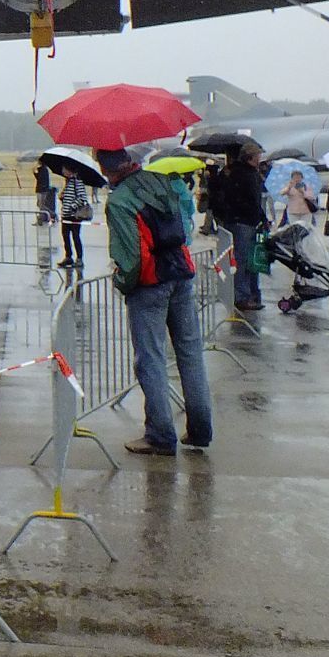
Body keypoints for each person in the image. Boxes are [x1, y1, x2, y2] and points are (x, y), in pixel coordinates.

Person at [97, 147, 212, 456]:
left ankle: (160, 435)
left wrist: (122, 281)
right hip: (181, 273)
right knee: (190, 353)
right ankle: (201, 429)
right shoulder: (161, 182)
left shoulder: (120, 200)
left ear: (106, 169)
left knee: (151, 359)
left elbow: (131, 255)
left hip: (150, 284)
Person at [215, 143, 269, 311]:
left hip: (249, 220)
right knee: (243, 259)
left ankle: (250, 293)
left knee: (251, 259)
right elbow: (247, 199)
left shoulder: (245, 173)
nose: (260, 159)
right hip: (243, 221)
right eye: (257, 156)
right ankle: (242, 296)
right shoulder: (241, 174)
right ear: (250, 157)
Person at [57, 170, 92, 269]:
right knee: (65, 236)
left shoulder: (77, 182)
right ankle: (68, 256)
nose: (63, 172)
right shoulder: (67, 182)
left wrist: (72, 206)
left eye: (65, 170)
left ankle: (79, 258)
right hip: (65, 215)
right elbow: (68, 197)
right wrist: (62, 197)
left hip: (74, 216)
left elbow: (82, 198)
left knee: (76, 237)